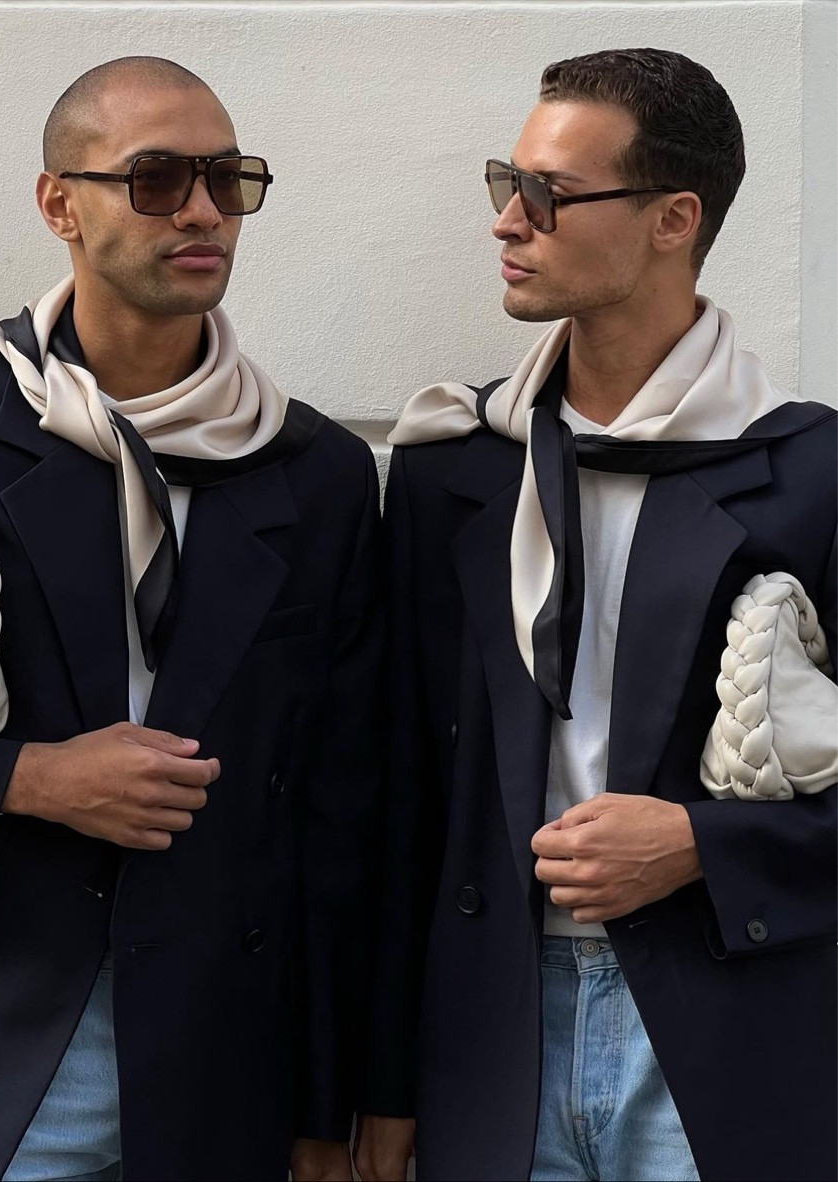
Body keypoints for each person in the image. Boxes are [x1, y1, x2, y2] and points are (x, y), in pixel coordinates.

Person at [0, 56, 381, 1182]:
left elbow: (344, 804)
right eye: (156, 179)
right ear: (59, 204)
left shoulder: (317, 470)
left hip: (228, 1069)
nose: (203, 210)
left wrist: (333, 1098)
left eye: (228, 179)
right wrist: (26, 779)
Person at [356, 47, 836, 1182]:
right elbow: (396, 790)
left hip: (731, 1028)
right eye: (505, 182)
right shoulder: (452, 464)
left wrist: (704, 846)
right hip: (489, 1036)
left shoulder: (810, 471)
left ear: (674, 219)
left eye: (549, 194)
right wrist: (381, 1085)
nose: (507, 221)